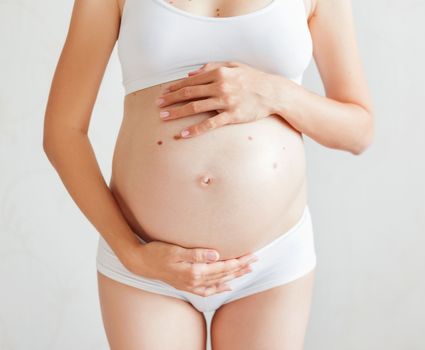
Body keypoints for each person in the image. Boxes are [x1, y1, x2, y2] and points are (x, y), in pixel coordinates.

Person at [43, 0, 374, 348]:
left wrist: (277, 93)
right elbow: (63, 132)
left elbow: (358, 130)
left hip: (269, 264)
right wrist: (131, 253)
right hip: (147, 262)